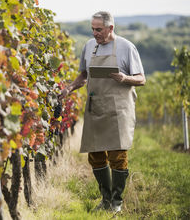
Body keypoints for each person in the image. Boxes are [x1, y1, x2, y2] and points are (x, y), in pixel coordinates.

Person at [60, 11, 146, 213]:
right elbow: (83, 75)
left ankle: (116, 202)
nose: (94, 33)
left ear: (110, 28)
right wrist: (69, 88)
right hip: (95, 107)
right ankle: (105, 199)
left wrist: (125, 78)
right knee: (96, 155)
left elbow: (142, 79)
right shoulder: (89, 46)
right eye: (92, 28)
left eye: (98, 29)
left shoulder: (126, 47)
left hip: (119, 110)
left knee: (117, 155)